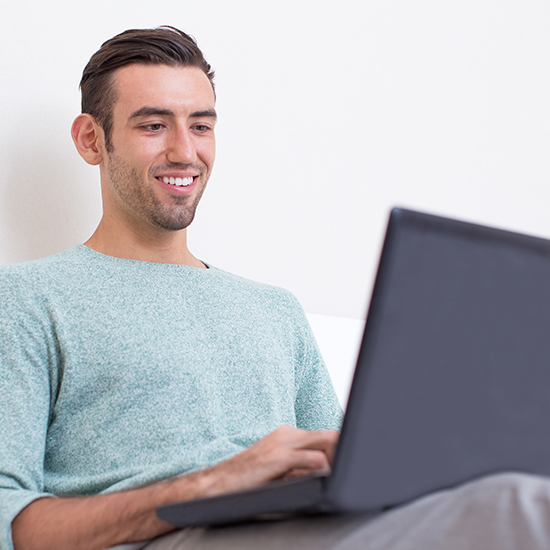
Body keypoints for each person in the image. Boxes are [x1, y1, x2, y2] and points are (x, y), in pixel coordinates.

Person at [3, 25, 550, 550]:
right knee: (520, 506)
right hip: (164, 537)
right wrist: (209, 484)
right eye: (153, 125)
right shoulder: (28, 298)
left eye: (201, 125)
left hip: (292, 529)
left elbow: (348, 477)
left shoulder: (274, 310)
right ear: (91, 139)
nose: (185, 152)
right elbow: (9, 519)